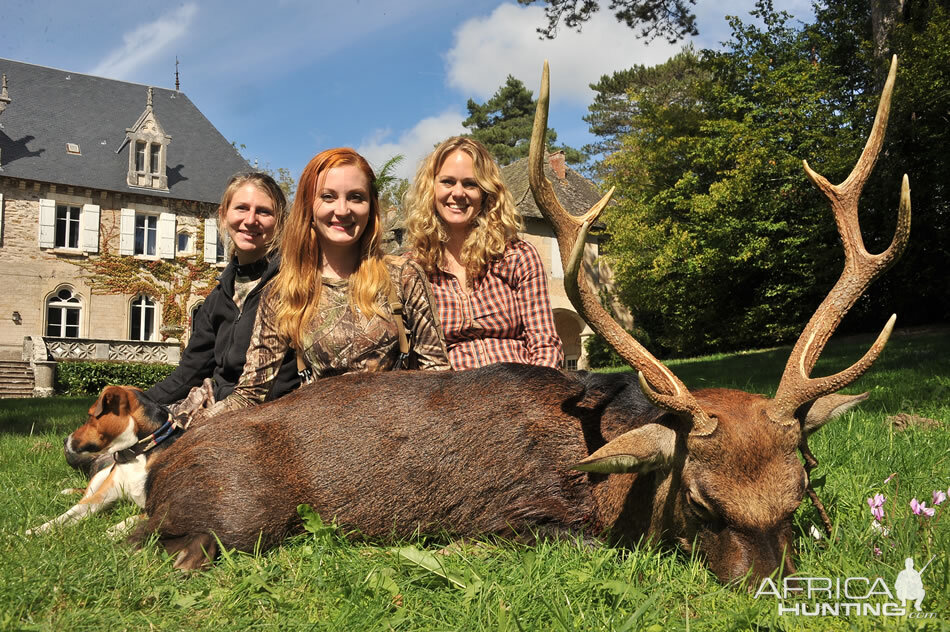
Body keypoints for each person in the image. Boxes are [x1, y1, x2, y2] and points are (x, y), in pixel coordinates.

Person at [196, 148, 449, 420]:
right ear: (309, 207)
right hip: (318, 445)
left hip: (396, 439)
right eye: (328, 197)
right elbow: (250, 394)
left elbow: (438, 379)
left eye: (356, 197)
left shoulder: (403, 276)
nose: (342, 210)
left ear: (371, 207)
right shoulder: (284, 291)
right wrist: (181, 429)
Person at [145, 172, 299, 415]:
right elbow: (189, 374)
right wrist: (136, 401)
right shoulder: (218, 298)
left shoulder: (293, 285)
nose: (250, 220)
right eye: (241, 208)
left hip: (277, 415)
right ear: (224, 216)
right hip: (223, 413)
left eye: (264, 212)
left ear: (279, 221)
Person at [405, 136, 563, 371]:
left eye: (470, 184)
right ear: (431, 188)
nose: (458, 193)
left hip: (520, 390)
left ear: (486, 192)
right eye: (448, 182)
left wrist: (535, 398)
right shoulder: (412, 269)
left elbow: (544, 344)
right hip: (449, 396)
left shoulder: (517, 256)